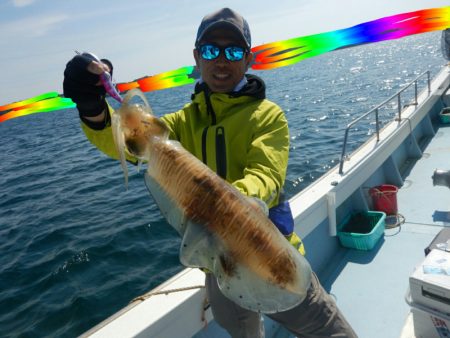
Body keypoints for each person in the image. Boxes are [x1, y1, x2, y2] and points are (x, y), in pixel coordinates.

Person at [63, 7, 357, 338]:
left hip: (272, 258)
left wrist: (237, 206)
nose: (221, 60)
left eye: (233, 51)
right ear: (196, 57)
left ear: (247, 60)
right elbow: (131, 143)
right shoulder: (181, 125)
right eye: (210, 50)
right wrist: (92, 110)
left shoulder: (267, 116)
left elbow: (266, 176)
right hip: (221, 269)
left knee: (330, 331)